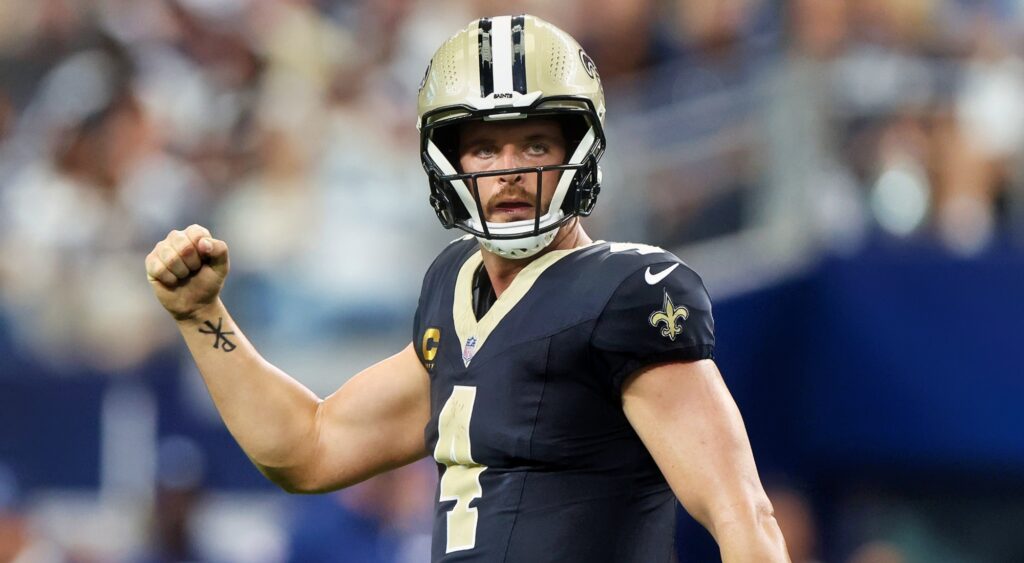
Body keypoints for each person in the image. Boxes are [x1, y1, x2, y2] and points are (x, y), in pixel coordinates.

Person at [144, 14, 789, 562]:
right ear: (449, 163)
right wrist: (203, 316)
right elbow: (306, 449)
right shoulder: (454, 293)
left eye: (534, 143)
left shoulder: (626, 294)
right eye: (484, 149)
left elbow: (742, 515)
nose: (508, 172)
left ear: (579, 149)